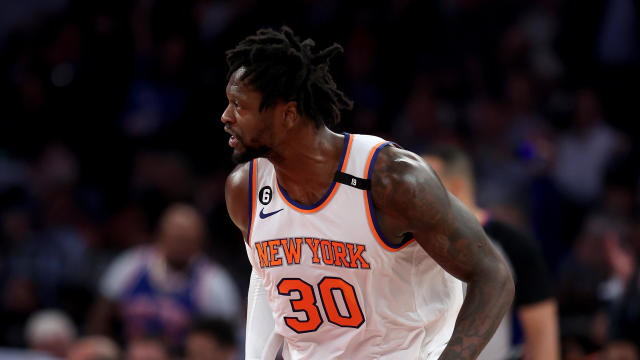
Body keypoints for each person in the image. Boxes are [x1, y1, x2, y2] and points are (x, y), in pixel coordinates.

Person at [223, 27, 514, 359]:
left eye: (239, 106)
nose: (226, 116)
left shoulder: (392, 180)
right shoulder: (245, 189)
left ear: (288, 114)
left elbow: (493, 276)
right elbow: (266, 283)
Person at [422, 145, 560, 360]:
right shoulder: (409, 240)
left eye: (424, 185)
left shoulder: (514, 245)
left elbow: (542, 335)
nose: (411, 193)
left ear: (456, 187)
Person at [89, 203, 240, 348]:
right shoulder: (132, 264)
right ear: (160, 235)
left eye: (186, 239)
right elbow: (101, 314)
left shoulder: (214, 281)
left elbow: (226, 340)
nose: (179, 245)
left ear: (200, 241)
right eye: (175, 237)